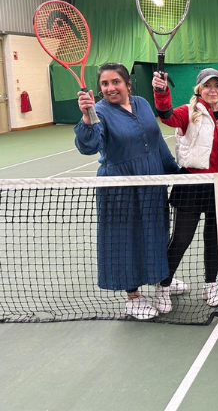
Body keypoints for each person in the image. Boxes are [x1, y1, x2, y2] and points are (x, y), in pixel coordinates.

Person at [74, 63, 180, 320]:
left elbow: (156, 142)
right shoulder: (99, 111)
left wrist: (175, 173)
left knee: (156, 232)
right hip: (119, 188)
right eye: (105, 84)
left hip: (151, 182)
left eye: (116, 82)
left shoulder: (142, 103)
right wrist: (87, 116)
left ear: (128, 84)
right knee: (124, 239)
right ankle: (133, 297)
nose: (110, 88)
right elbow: (89, 146)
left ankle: (161, 277)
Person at [152, 68, 218, 313]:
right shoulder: (188, 112)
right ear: (199, 89)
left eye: (217, 85)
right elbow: (166, 116)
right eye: (207, 86)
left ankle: (210, 285)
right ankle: (164, 286)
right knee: (181, 239)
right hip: (192, 183)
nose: (213, 90)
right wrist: (161, 92)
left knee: (214, 238)